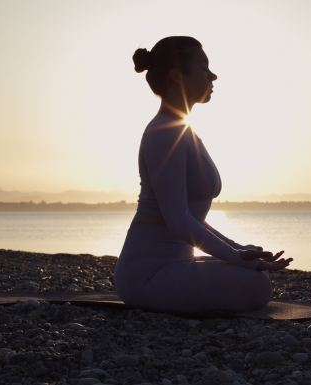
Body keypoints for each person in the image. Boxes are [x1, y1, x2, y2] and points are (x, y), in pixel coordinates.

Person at [114, 36, 293, 314]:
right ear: (177, 77)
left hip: (175, 265)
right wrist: (235, 256)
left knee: (257, 277)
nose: (213, 75)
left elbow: (190, 218)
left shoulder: (183, 129)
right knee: (256, 285)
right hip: (148, 274)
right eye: (203, 67)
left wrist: (240, 249)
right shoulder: (165, 133)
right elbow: (178, 220)